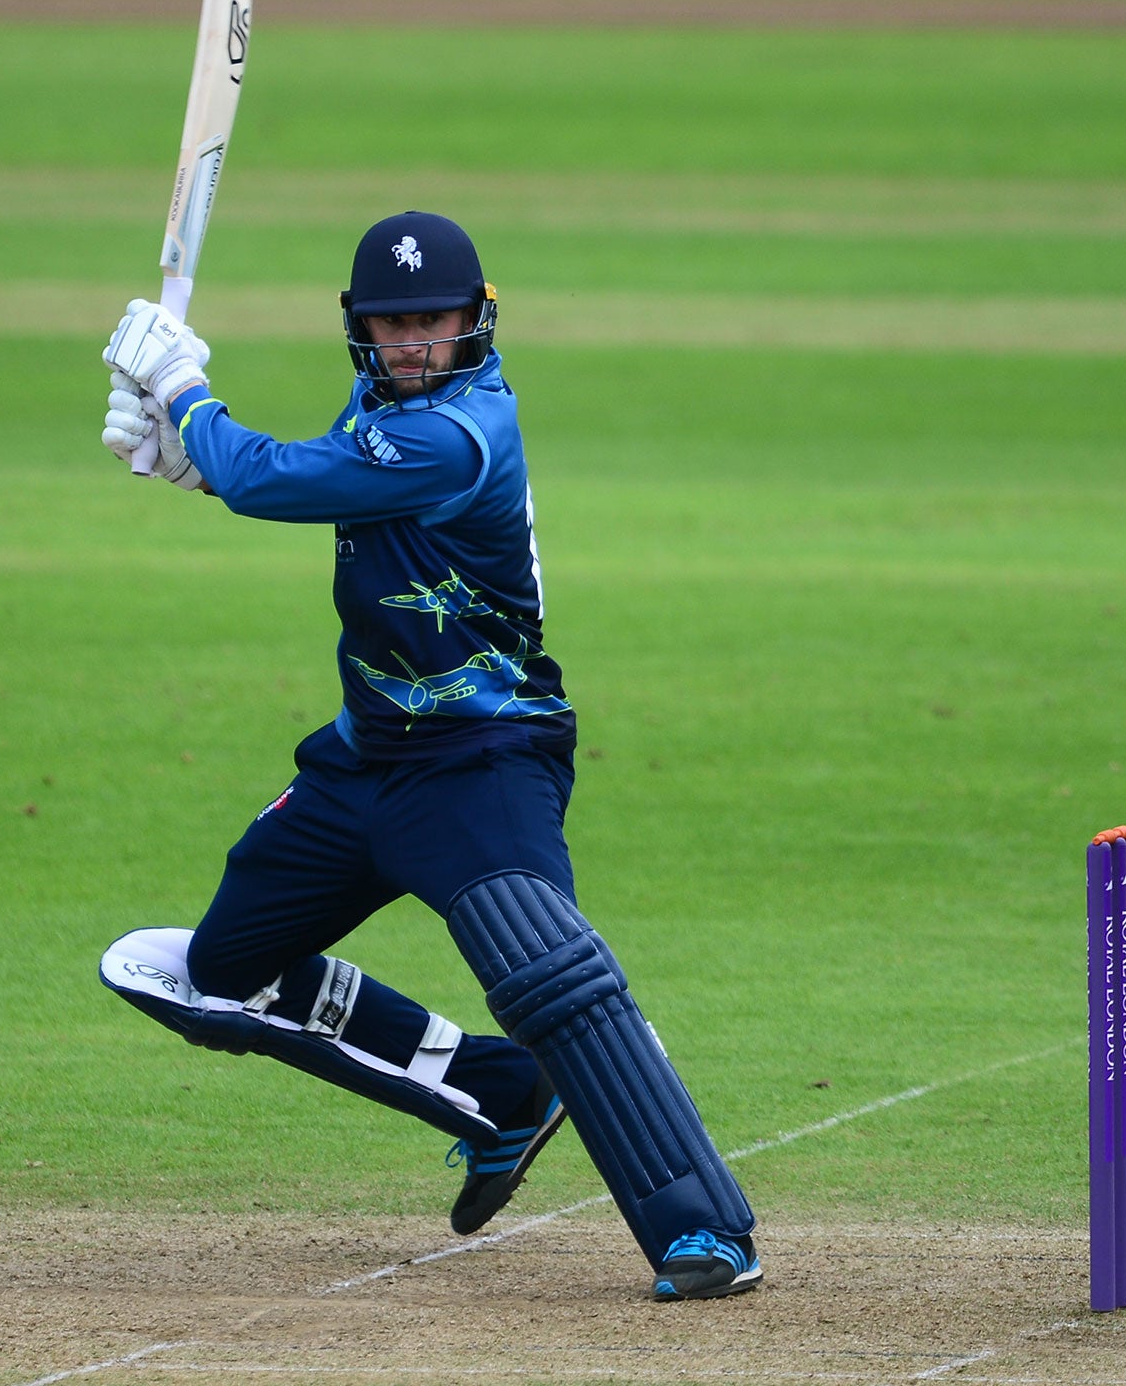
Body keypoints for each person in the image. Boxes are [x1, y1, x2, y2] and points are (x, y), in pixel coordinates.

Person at [93, 211, 760, 1302]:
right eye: (391, 324)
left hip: (486, 761)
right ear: (363, 330)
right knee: (213, 973)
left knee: (551, 977)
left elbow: (276, 480)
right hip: (363, 763)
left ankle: (705, 1230)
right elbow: (303, 477)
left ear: (473, 323)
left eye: (432, 323)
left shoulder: (461, 432)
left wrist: (186, 395)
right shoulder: (382, 409)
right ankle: (498, 1093)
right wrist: (190, 466)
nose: (411, 343)